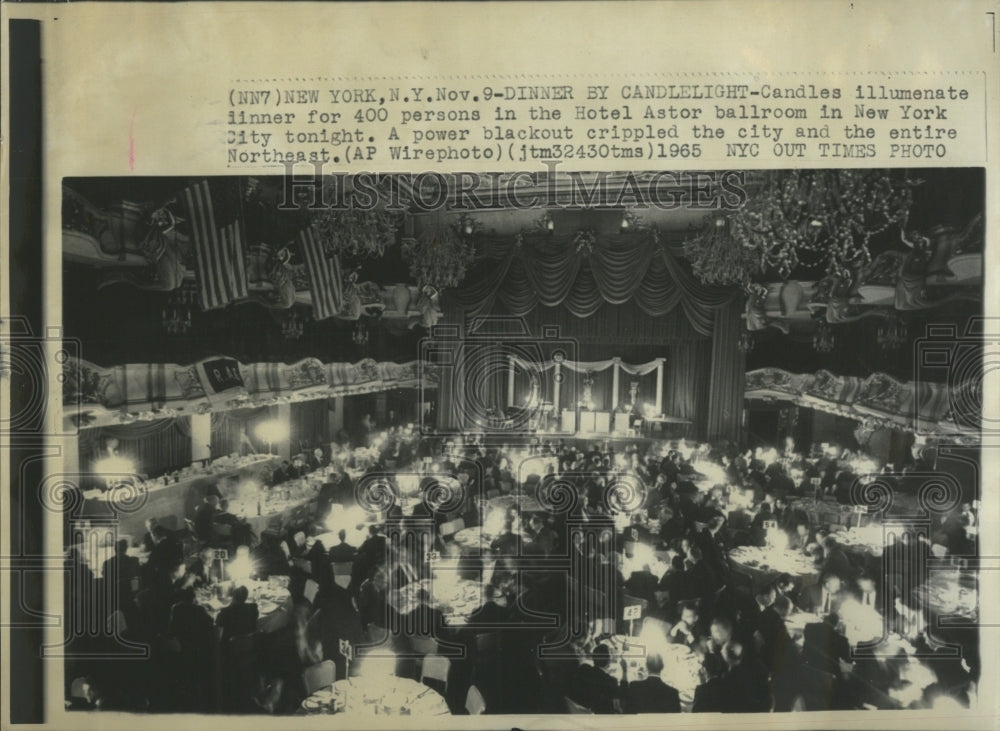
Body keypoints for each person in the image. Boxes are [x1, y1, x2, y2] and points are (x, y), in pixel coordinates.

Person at [567, 644, 626, 714]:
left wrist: (605, 672)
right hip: (592, 715)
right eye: (611, 653)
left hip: (572, 709)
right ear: (609, 659)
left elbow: (596, 676)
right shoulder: (612, 681)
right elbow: (623, 695)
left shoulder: (584, 668)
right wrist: (624, 670)